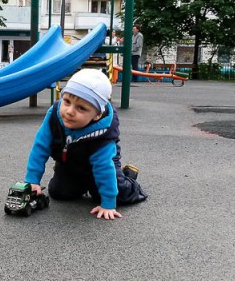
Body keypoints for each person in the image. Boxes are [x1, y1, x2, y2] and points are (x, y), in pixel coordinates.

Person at [23, 69, 147, 220]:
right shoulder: (54, 117)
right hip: (70, 161)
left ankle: (129, 177)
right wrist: (32, 180)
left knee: (116, 194)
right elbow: (40, 147)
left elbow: (103, 167)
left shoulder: (102, 135)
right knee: (58, 193)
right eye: (67, 102)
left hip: (102, 165)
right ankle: (76, 178)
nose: (69, 111)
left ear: (97, 115)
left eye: (81, 108)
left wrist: (108, 203)